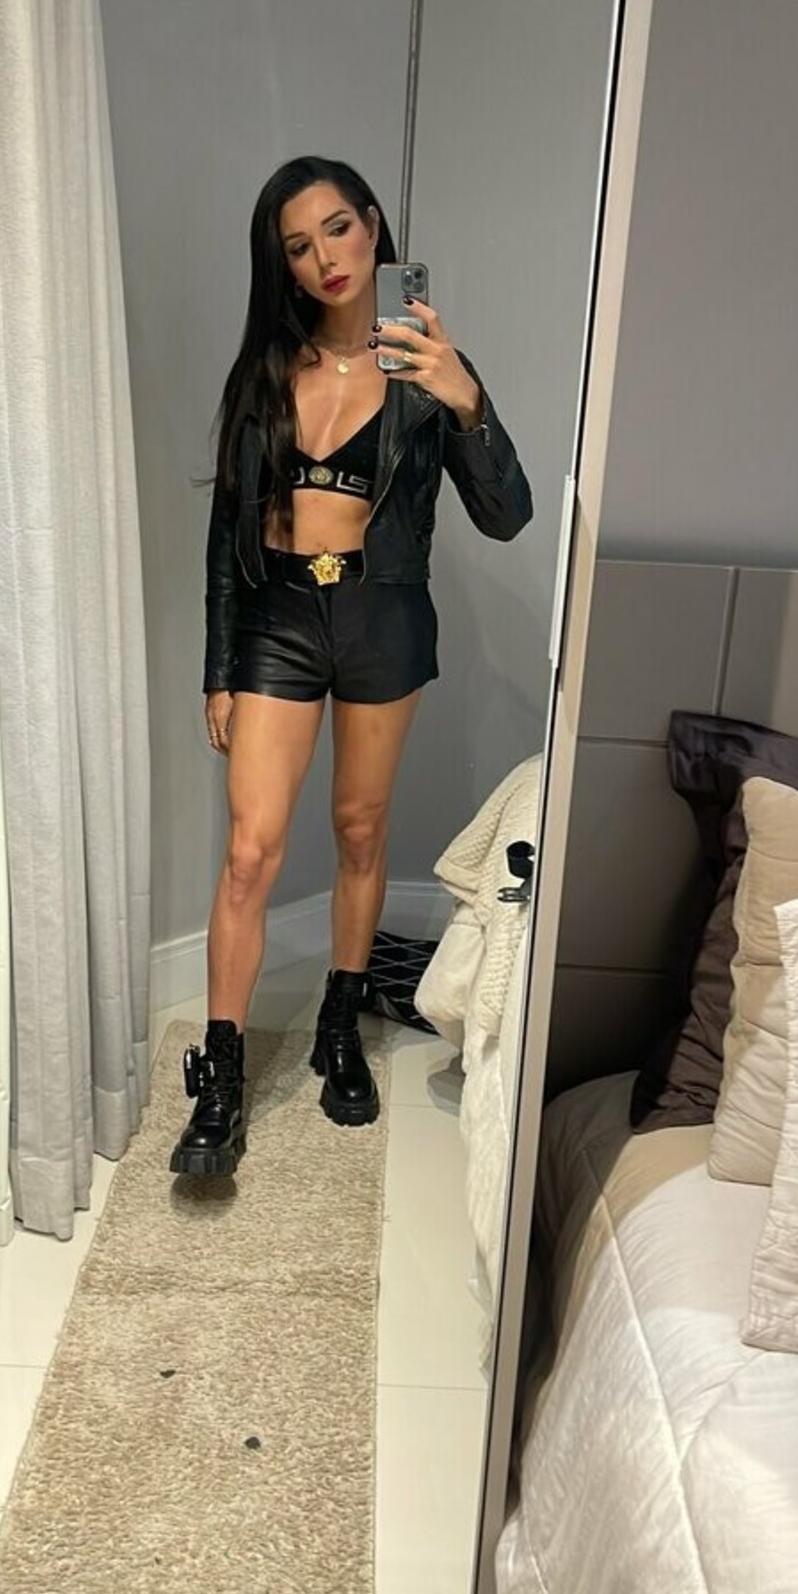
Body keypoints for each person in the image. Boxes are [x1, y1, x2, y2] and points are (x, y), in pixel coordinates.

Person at [169, 156, 533, 1178]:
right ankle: (222, 1074)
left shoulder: (426, 368)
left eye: (337, 228)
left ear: (373, 225)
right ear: (282, 266)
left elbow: (508, 516)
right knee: (251, 852)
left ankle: (338, 1025)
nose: (325, 256)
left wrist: (466, 401)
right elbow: (227, 533)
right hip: (279, 618)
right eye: (299, 245)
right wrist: (219, 668)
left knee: (361, 828)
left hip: (382, 617)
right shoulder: (266, 372)